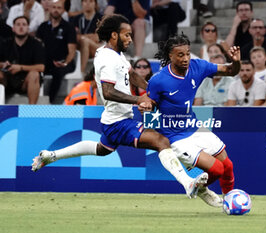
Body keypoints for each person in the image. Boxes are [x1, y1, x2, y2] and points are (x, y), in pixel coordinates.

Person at [32, 14, 208, 201]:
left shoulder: (115, 55)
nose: (131, 39)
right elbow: (107, 92)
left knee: (103, 149)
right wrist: (138, 100)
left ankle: (51, 156)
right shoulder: (107, 59)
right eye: (127, 35)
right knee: (160, 141)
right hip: (118, 122)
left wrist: (152, 89)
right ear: (114, 35)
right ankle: (187, 183)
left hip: (114, 119)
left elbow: (131, 74)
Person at [147, 33, 241, 207]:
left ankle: (230, 203)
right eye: (180, 55)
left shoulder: (198, 67)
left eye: (188, 53)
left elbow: (230, 71)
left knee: (227, 166)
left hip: (194, 127)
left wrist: (235, 61)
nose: (186, 58)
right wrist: (156, 137)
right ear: (170, 56)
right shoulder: (158, 81)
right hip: (174, 137)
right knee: (217, 169)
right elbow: (149, 108)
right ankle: (199, 188)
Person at [36, 0, 77, 104]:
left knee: (57, 72)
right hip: (48, 61)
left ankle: (51, 102)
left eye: (59, 8)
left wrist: (65, 63)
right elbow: (38, 46)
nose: (56, 10)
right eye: (54, 7)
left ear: (63, 10)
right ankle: (37, 101)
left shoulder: (69, 27)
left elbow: (72, 51)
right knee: (36, 71)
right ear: (49, 9)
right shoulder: (43, 27)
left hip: (64, 61)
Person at [0, 16, 45, 104]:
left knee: (34, 74)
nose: (21, 27)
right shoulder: (5, 43)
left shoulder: (36, 44)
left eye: (24, 24)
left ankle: (31, 110)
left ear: (28, 28)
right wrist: (3, 65)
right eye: (18, 24)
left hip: (26, 81)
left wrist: (20, 68)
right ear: (13, 28)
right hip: (7, 79)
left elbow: (41, 67)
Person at [70, 0, 102, 75]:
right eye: (85, 1)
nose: (87, 3)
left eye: (91, 1)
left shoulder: (101, 18)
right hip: (82, 47)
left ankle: (80, 73)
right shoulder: (76, 19)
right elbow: (74, 37)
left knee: (84, 41)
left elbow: (97, 38)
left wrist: (82, 37)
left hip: (98, 48)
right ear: (82, 4)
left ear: (95, 4)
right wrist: (88, 36)